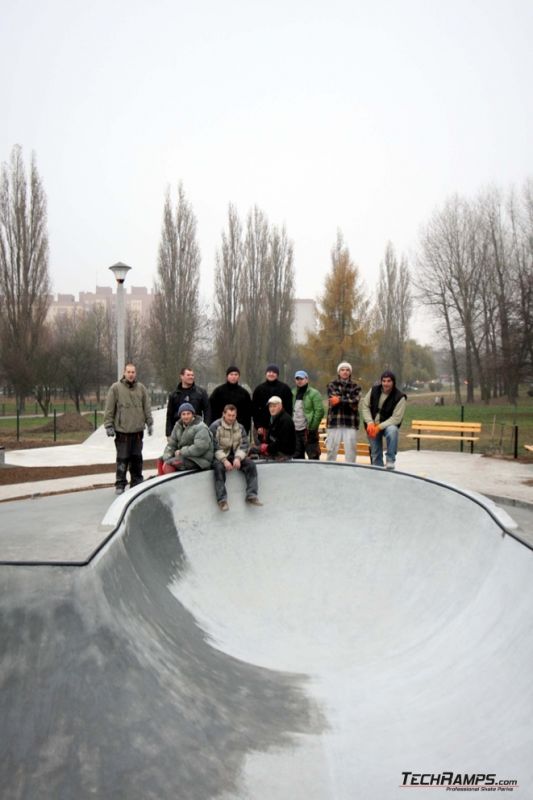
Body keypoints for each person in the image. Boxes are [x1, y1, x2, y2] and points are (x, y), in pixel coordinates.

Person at [104, 363, 153, 494]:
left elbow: (146, 407)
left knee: (137, 458)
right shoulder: (115, 388)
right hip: (122, 431)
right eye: (129, 372)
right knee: (122, 459)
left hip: (137, 431)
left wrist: (150, 422)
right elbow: (109, 408)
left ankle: (136, 481)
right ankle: (120, 483)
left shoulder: (141, 388)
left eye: (133, 372)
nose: (131, 374)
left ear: (135, 373)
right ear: (124, 373)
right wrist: (108, 425)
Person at [209, 404, 262, 511]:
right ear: (223, 414)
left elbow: (244, 445)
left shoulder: (240, 427)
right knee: (218, 469)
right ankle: (222, 500)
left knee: (251, 465)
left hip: (235, 455)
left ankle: (252, 495)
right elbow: (213, 446)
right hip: (220, 456)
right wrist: (224, 460)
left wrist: (238, 457)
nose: (231, 418)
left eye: (233, 415)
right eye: (229, 415)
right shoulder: (215, 427)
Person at [362, 370, 407, 470]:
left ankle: (390, 460)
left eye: (389, 381)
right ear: (381, 381)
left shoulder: (400, 397)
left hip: (387, 425)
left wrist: (380, 427)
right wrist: (370, 423)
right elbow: (365, 406)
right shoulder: (373, 390)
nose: (386, 383)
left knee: (392, 431)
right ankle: (378, 470)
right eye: (384, 381)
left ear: (393, 382)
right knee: (376, 453)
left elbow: (396, 418)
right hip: (373, 425)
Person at [161, 402, 214, 473]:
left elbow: (200, 448)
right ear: (180, 415)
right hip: (186, 456)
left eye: (188, 413)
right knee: (161, 460)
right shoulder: (178, 426)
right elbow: (172, 444)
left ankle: (172, 483)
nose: (186, 416)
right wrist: (167, 456)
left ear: (193, 414)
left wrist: (182, 451)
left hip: (200, 459)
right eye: (183, 414)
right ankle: (159, 480)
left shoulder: (201, 427)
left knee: (171, 463)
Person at [326, 361, 362, 463]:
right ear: (339, 372)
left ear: (350, 372)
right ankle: (329, 471)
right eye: (342, 370)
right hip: (334, 422)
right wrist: (347, 400)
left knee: (351, 452)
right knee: (331, 450)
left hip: (350, 422)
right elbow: (333, 400)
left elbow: (355, 401)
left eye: (347, 370)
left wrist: (340, 400)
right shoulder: (331, 385)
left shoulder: (356, 386)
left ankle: (350, 473)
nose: (345, 372)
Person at [252, 364, 293, 443]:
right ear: (266, 374)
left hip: (280, 427)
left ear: (277, 374)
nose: (271, 374)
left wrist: (285, 425)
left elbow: (288, 409)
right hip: (263, 427)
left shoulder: (285, 389)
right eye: (269, 372)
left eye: (274, 372)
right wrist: (258, 425)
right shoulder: (259, 389)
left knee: (279, 451)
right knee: (262, 450)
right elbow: (254, 410)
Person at [291, 370, 325, 460]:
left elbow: (320, 411)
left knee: (313, 457)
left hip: (309, 431)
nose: (299, 380)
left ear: (307, 380)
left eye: (301, 378)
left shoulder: (314, 393)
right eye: (297, 378)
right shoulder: (293, 392)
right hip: (295, 431)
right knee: (297, 458)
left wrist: (312, 427)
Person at [166, 367, 209, 436]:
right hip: (178, 431)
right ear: (181, 376)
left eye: (192, 375)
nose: (191, 377)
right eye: (188, 375)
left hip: (196, 430)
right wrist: (168, 433)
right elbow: (169, 415)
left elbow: (207, 411)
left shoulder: (201, 393)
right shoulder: (174, 395)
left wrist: (206, 428)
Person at [209, 366, 252, 434]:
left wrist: (246, 428)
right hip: (220, 427)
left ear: (239, 376)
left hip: (238, 428)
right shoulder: (218, 391)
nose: (233, 377)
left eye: (236, 374)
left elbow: (248, 413)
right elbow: (211, 409)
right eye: (231, 374)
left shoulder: (244, 393)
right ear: (227, 376)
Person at [257, 396, 296, 460]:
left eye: (274, 406)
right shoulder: (273, 418)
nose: (272, 409)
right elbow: (270, 439)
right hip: (275, 450)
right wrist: (261, 435)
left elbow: (282, 443)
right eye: (270, 406)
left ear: (280, 406)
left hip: (283, 454)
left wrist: (266, 448)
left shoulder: (285, 420)